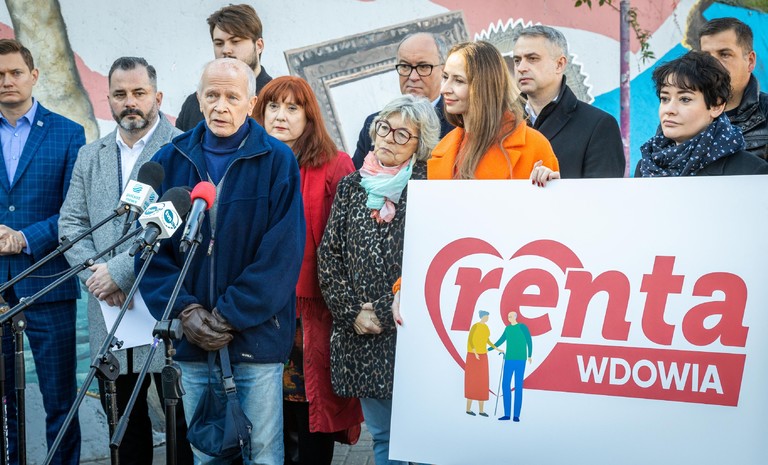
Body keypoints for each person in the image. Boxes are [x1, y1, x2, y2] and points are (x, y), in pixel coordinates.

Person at [138, 58, 305, 465]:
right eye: (211, 95)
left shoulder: (277, 160)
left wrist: (229, 315)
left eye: (232, 96)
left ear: (251, 103)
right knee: (207, 455)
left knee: (262, 454)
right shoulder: (170, 159)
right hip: (192, 341)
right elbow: (150, 253)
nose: (220, 106)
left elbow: (282, 255)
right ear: (199, 99)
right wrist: (186, 311)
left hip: (255, 339)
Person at [58, 56, 193, 465]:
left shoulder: (183, 148)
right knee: (124, 430)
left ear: (158, 97)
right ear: (109, 100)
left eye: (139, 92)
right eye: (120, 94)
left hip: (162, 308)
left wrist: (119, 272)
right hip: (108, 310)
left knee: (180, 427)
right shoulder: (90, 155)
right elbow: (70, 224)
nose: (129, 102)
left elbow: (182, 226)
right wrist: (97, 276)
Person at [318, 95, 440, 465]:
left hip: (411, 333)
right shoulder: (352, 186)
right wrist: (352, 312)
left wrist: (384, 312)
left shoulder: (429, 189)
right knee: (384, 437)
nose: (389, 138)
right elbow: (329, 255)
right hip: (362, 335)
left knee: (424, 439)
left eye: (403, 134)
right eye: (385, 128)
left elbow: (431, 264)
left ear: (420, 145)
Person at [252, 76, 363, 465]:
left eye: (292, 107)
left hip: (312, 316)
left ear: (309, 116)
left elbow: (349, 244)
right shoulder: (250, 163)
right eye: (273, 106)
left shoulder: (335, 164)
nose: (280, 116)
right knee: (268, 417)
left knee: (311, 417)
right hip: (259, 311)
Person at [0, 38, 84, 465]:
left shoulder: (69, 133)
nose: (7, 81)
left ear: (33, 76)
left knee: (60, 400)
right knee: (3, 404)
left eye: (15, 72)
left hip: (49, 283)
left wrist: (23, 237)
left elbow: (74, 211)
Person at [431, 40, 559, 181]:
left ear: (484, 86)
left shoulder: (535, 146)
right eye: (445, 77)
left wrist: (551, 186)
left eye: (459, 81)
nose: (444, 89)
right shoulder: (442, 148)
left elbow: (553, 195)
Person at [512, 25, 625, 178]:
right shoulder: (500, 123)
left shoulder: (598, 126)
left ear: (559, 64)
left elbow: (603, 192)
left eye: (532, 59)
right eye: (517, 60)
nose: (521, 68)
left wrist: (558, 187)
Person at [635, 51, 768, 177]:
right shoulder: (646, 167)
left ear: (716, 106)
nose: (669, 109)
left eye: (685, 99)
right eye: (665, 99)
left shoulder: (751, 170)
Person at [352, 32, 453, 169]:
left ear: (444, 69)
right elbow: (356, 177)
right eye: (405, 66)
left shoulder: (459, 124)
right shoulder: (375, 123)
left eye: (423, 67)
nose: (413, 76)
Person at [175, 3, 272, 131]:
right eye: (219, 43)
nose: (226, 50)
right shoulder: (194, 104)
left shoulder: (277, 99)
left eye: (235, 41)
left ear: (259, 46)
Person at [698, 17, 767, 160]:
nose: (713, 65)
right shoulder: (680, 112)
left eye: (724, 54)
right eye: (706, 56)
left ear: (750, 61)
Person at [493, 312, 532, 422]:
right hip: (509, 359)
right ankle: (507, 414)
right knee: (505, 385)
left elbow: (529, 341)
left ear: (515, 317)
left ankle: (516, 415)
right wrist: (489, 349)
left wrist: (529, 355)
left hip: (520, 360)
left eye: (510, 316)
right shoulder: (508, 329)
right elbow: (501, 340)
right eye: (508, 317)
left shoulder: (522, 327)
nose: (509, 318)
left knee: (518, 386)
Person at [465, 310, 501, 417]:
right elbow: (470, 340)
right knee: (472, 381)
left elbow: (487, 340)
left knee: (482, 382)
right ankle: (468, 409)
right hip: (473, 356)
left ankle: (481, 410)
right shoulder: (475, 326)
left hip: (483, 356)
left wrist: (496, 348)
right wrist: (475, 352)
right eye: (486, 316)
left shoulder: (486, 327)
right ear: (482, 317)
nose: (487, 318)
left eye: (488, 317)